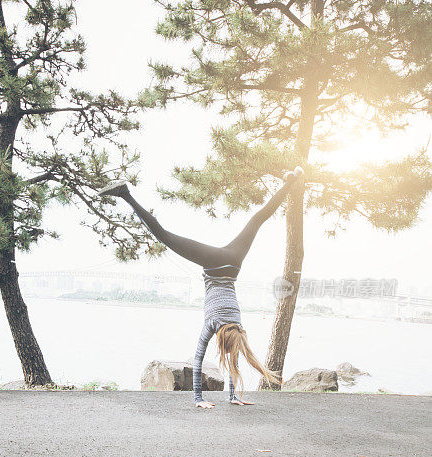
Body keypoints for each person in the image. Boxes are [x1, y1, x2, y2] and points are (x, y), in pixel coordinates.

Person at [99, 167, 304, 408]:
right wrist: (198, 399)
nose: (228, 354)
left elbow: (232, 363)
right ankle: (125, 194)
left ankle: (290, 181)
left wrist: (232, 398)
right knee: (164, 236)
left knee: (257, 220)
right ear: (223, 338)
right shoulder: (214, 325)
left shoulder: (238, 328)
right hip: (215, 264)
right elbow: (199, 361)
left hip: (233, 261)